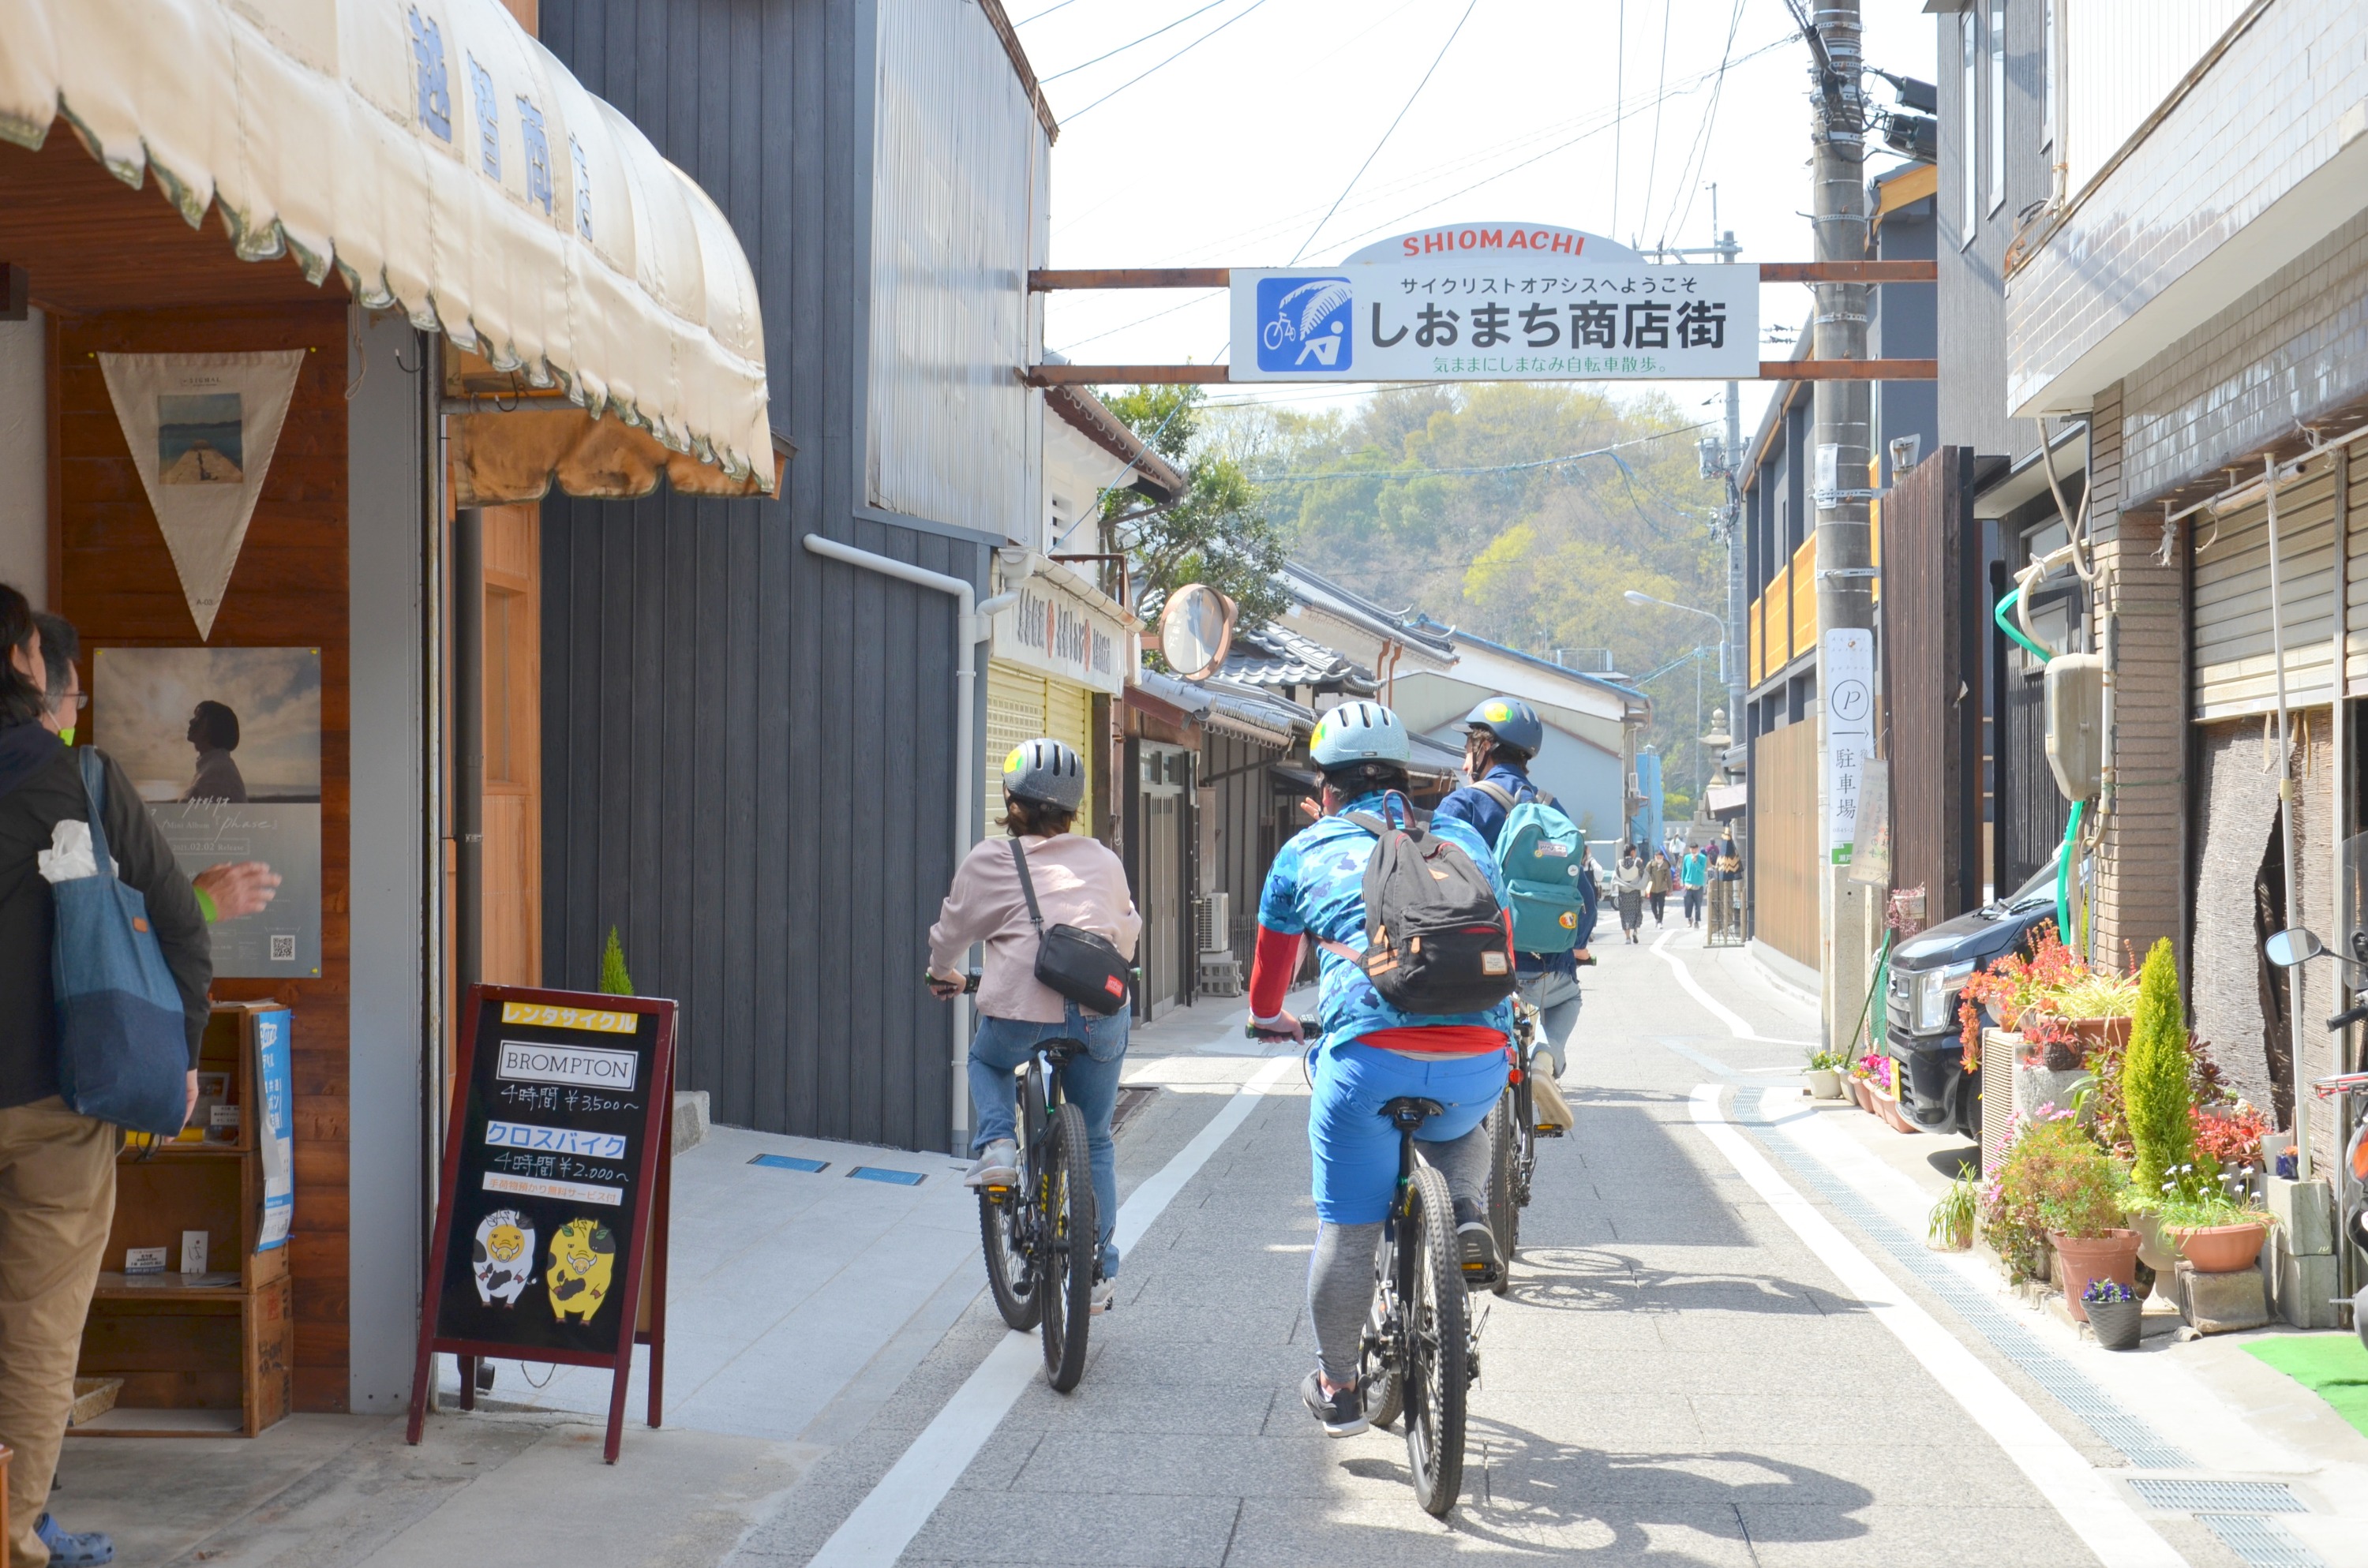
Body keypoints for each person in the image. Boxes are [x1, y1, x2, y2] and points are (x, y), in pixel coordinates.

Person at [1, 589, 214, 1568]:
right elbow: (180, 923)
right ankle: (15, 1530)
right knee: (39, 1326)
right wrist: (181, 1056)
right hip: (59, 1096)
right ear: (26, 658)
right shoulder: (80, 778)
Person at [1244, 700, 1513, 1439]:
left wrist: (1270, 1016)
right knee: (1461, 1130)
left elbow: (1269, 980)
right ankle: (1463, 1210)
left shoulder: (1306, 850)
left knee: (1348, 1228)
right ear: (1406, 777)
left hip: (1366, 1055)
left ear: (1326, 789)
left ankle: (1338, 1389)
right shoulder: (1461, 837)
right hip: (1476, 1052)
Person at [927, 738, 1140, 1314]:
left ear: (1011, 800)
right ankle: (1095, 1270)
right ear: (1072, 807)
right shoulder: (1103, 858)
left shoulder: (993, 859)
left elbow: (951, 930)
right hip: (1099, 1014)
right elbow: (1128, 929)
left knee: (987, 1060)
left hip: (1020, 1015)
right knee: (1095, 1138)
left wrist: (942, 971)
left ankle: (998, 1141)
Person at [35, 617, 280, 928]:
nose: (190, 724)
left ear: (214, 728)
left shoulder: (216, 774)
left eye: (198, 719)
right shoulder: (68, 779)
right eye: (75, 699)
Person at [1430, 698, 1593, 1079]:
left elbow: (1431, 882)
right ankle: (1547, 1052)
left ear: (1484, 747)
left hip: (1482, 972)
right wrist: (1578, 944)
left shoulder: (1462, 805)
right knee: (1570, 998)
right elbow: (1583, 894)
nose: (1465, 757)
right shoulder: (1552, 808)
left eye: (1469, 745)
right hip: (1551, 971)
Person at [182, 700, 245, 803]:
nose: (191, 721)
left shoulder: (217, 774)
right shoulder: (213, 767)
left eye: (199, 717)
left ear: (214, 725)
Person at [1613, 844, 1647, 943]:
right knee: (1636, 912)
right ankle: (1635, 931)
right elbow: (1643, 874)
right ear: (1632, 852)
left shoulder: (1619, 863)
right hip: (1635, 892)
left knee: (1625, 915)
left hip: (1623, 893)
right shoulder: (1637, 862)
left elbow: (1617, 876)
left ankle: (1627, 938)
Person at [1680, 840, 1709, 929]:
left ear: (1698, 849)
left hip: (1698, 885)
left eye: (1695, 849)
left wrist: (1696, 862)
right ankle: (1689, 918)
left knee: (1698, 905)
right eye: (1692, 849)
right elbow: (1684, 870)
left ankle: (1697, 921)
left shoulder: (1703, 858)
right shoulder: (1687, 858)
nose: (1693, 851)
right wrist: (1682, 880)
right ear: (1690, 849)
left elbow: (1702, 870)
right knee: (1687, 903)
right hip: (1688, 884)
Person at [1645, 850, 1671, 927]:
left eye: (1660, 857)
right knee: (1653, 905)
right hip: (1652, 888)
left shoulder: (1666, 865)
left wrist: (1670, 889)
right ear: (1655, 857)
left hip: (1662, 888)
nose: (1659, 859)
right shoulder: (1651, 865)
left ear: (1663, 857)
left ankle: (1660, 921)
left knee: (1661, 905)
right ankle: (1656, 917)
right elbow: (1646, 876)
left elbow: (1669, 878)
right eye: (1657, 857)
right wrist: (1646, 889)